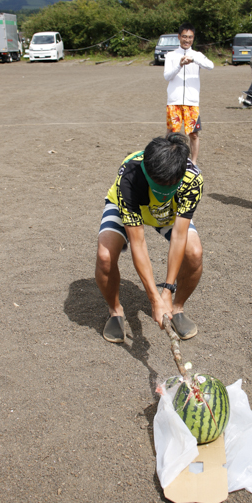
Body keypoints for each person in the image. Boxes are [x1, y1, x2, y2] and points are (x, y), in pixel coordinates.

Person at [95, 133, 203, 343]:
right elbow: (138, 242)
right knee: (105, 257)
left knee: (194, 253)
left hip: (168, 214)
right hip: (129, 208)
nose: (163, 189)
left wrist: (167, 291)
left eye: (170, 183)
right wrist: (154, 298)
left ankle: (177, 308)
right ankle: (115, 310)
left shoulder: (192, 178)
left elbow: (179, 236)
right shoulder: (131, 175)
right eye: (158, 183)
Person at [164, 22, 214, 165]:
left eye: (190, 37)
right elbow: (167, 76)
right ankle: (168, 159)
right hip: (174, 100)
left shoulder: (197, 55)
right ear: (179, 37)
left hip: (192, 101)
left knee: (194, 134)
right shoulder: (171, 55)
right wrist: (179, 65)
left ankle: (193, 162)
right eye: (184, 36)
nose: (187, 40)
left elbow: (210, 66)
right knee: (172, 133)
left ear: (193, 38)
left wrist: (193, 59)